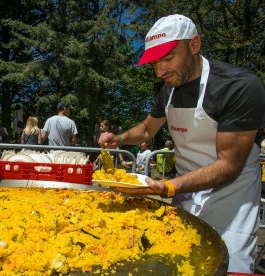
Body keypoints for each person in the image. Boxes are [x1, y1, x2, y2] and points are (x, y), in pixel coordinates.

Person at [98, 14, 265, 273]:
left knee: (227, 267)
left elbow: (229, 165)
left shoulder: (239, 87)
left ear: (194, 45)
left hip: (232, 202)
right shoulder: (167, 90)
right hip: (183, 197)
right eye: (154, 62)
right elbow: (145, 129)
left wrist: (166, 187)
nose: (160, 71)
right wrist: (117, 139)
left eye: (168, 58)